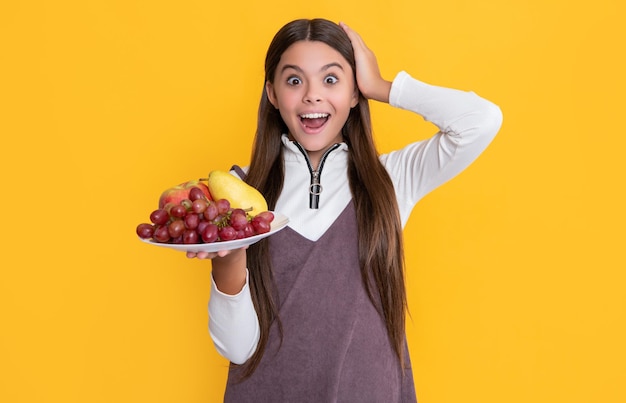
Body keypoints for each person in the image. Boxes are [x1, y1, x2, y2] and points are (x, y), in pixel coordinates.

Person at [188, 18, 502, 402]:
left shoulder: (392, 179)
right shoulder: (239, 195)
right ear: (272, 93)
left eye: (331, 80)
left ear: (355, 92)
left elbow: (481, 121)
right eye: (294, 80)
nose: (312, 96)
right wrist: (227, 262)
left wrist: (383, 87)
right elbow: (238, 350)